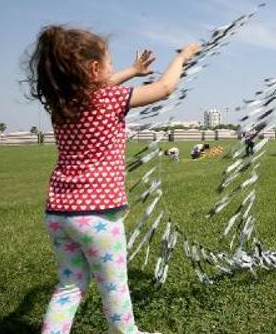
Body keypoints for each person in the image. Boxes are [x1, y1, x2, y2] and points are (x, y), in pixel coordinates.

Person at [25, 24, 200, 334]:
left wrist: (132, 71)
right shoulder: (109, 100)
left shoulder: (61, 105)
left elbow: (98, 85)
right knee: (114, 285)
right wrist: (182, 57)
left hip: (59, 213)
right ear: (94, 68)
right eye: (109, 62)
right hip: (97, 216)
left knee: (69, 285)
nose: (111, 69)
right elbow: (164, 88)